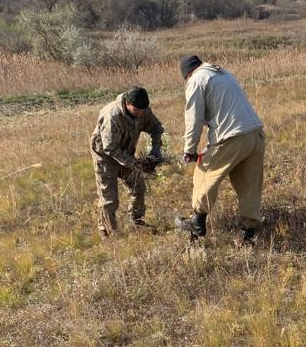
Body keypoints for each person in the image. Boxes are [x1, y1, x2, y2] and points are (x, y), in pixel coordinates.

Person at [174, 55, 265, 246]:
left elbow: (194, 118)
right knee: (249, 184)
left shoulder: (196, 80)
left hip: (231, 137)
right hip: (255, 134)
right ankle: (249, 234)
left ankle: (196, 222)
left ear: (187, 74)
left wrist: (189, 150)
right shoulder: (224, 74)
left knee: (204, 174)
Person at [89, 86, 164, 238]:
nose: (141, 113)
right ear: (127, 104)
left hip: (126, 153)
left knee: (139, 187)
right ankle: (108, 232)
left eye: (143, 109)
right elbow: (110, 148)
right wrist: (134, 163)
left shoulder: (143, 109)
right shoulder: (113, 116)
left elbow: (156, 128)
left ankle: (137, 221)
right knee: (109, 198)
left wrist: (156, 149)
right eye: (137, 109)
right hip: (105, 156)